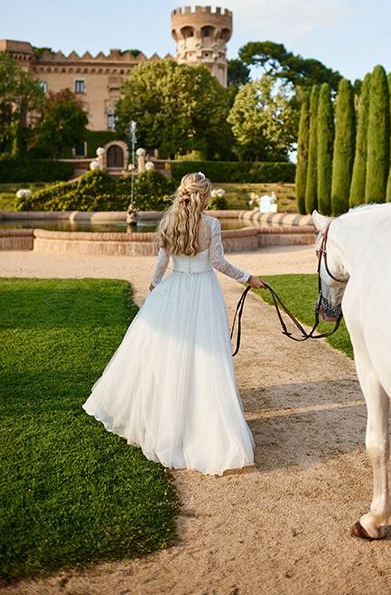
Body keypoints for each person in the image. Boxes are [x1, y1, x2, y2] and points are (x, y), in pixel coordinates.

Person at [83, 172, 266, 475]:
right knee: (204, 356)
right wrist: (249, 278)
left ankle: (170, 421)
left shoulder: (169, 221)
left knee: (170, 357)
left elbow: (161, 263)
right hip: (203, 292)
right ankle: (202, 423)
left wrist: (155, 287)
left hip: (176, 288)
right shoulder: (212, 224)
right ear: (203, 195)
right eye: (207, 194)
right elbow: (219, 263)